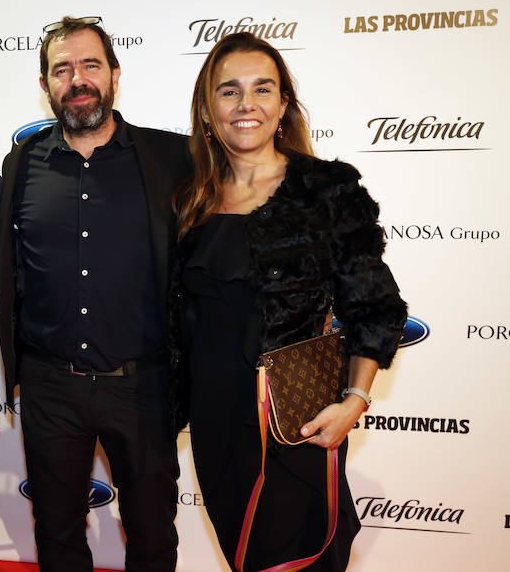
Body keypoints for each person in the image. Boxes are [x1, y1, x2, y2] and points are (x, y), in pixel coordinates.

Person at [171, 32, 407, 571]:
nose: (246, 104)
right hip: (214, 423)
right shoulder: (189, 199)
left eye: (262, 89)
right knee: (244, 555)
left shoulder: (325, 190)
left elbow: (375, 307)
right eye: (228, 91)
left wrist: (354, 401)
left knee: (299, 557)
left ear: (283, 106)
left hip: (293, 423)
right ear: (208, 110)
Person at [0, 16, 191, 572]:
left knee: (153, 537)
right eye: (62, 69)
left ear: (115, 74)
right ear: (46, 84)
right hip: (51, 387)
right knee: (57, 537)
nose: (77, 79)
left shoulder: (172, 160)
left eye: (90, 65)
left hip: (145, 388)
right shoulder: (20, 166)